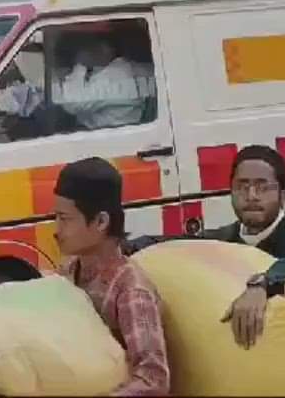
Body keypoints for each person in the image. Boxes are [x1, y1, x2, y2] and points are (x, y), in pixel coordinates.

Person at [126, 145, 285, 349]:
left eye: (263, 187)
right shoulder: (226, 238)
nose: (252, 195)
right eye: (242, 186)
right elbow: (175, 244)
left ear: (283, 196)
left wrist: (263, 284)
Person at [54, 157, 170, 396]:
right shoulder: (67, 272)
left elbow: (154, 380)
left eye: (64, 219)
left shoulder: (130, 291)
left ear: (101, 222)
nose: (56, 231)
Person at [0, 33, 153, 132]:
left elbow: (72, 102)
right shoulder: (109, 70)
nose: (79, 54)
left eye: (84, 48)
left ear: (104, 48)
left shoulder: (118, 75)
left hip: (104, 139)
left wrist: (81, 65)